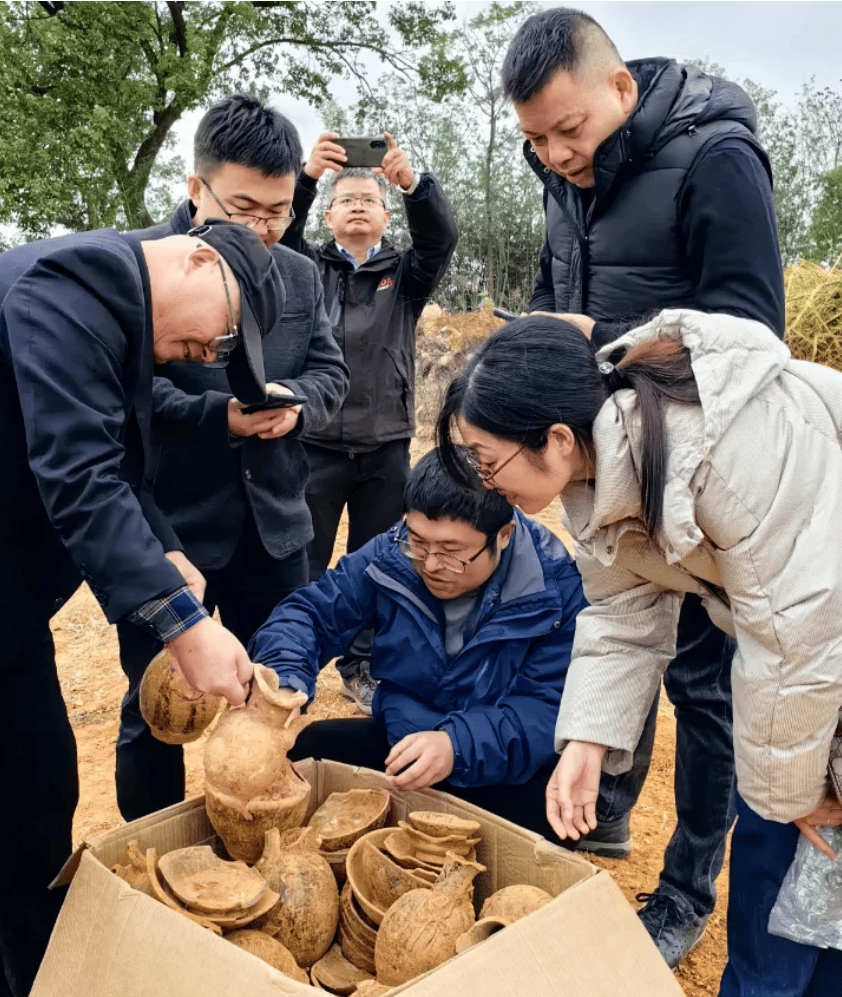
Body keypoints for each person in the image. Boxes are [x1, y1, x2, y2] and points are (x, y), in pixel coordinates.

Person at [435, 311, 842, 997]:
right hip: (801, 668)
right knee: (788, 890)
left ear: (557, 439)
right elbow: (623, 612)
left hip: (815, 652)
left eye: (486, 459)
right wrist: (588, 741)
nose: (482, 483)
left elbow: (799, 630)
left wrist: (796, 790)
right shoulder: (594, 479)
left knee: (794, 878)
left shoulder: (726, 453)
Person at [500, 5, 786, 966]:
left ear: (620, 88)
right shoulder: (561, 174)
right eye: (535, 139)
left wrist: (609, 358)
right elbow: (557, 297)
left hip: (704, 480)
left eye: (569, 131)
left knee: (704, 683)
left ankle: (686, 887)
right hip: (608, 471)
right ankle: (605, 805)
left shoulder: (717, 160)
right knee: (620, 630)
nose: (555, 155)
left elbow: (753, 344)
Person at [0, 217, 281, 996]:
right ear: (198, 257)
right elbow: (79, 475)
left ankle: (39, 967)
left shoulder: (110, 310)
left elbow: (120, 459)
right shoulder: (67, 287)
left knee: (39, 787)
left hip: (13, 609)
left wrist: (170, 552)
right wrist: (182, 623)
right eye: (218, 339)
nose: (206, 359)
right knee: (24, 791)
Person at [114, 95, 349, 822]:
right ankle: (150, 851)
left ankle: (257, 841)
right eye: (246, 208)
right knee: (156, 705)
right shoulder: (140, 268)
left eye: (278, 211)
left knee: (272, 696)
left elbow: (332, 375)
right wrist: (226, 417)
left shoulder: (302, 275)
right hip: (172, 532)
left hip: (276, 528)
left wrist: (297, 403)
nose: (265, 229)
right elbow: (131, 402)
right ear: (196, 189)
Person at [247, 448, 588, 831]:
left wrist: (456, 746)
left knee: (558, 815)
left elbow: (545, 710)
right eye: (418, 542)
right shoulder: (391, 555)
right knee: (303, 751)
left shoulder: (553, 592)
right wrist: (286, 682)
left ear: (503, 535)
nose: (429, 565)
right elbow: (310, 614)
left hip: (497, 762)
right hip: (404, 741)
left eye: (451, 551)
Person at [280, 133, 458, 714]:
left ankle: (361, 665)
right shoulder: (305, 269)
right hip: (315, 444)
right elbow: (280, 231)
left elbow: (441, 237)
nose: (357, 204)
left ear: (386, 216)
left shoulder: (405, 276)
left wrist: (414, 184)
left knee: (379, 562)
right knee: (302, 561)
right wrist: (305, 180)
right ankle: (290, 664)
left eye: (369, 198)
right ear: (328, 215)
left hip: (384, 446)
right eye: (345, 198)